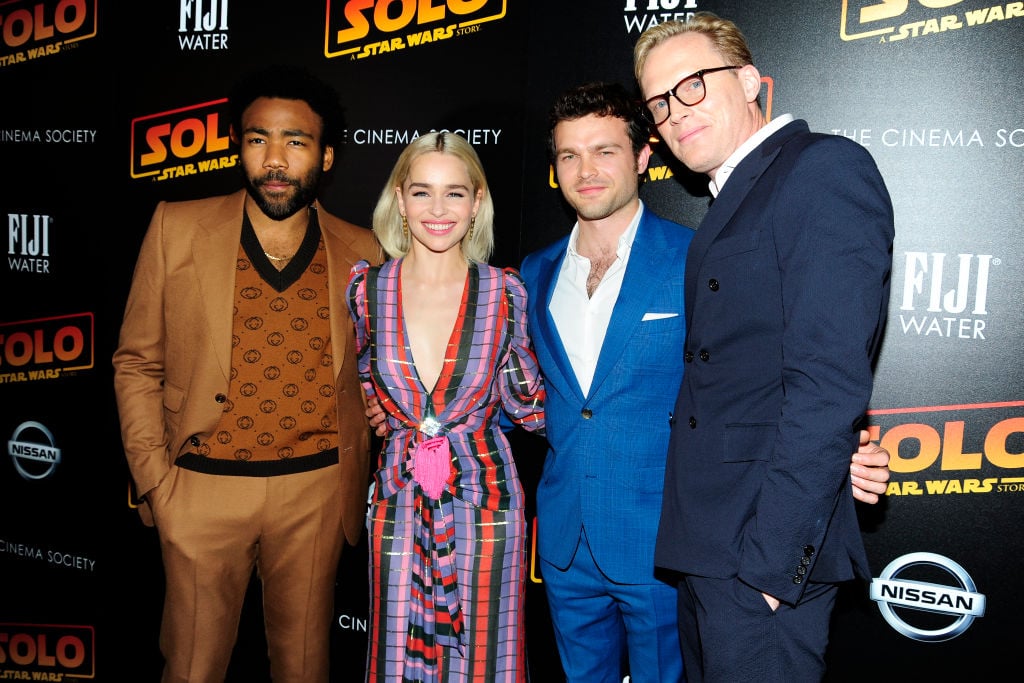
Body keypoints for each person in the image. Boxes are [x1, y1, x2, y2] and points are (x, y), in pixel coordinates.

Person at [517, 82, 892, 683]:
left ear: (644, 157)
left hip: (663, 536)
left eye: (605, 151)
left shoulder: (698, 257)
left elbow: (774, 372)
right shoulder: (532, 272)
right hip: (563, 540)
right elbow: (521, 388)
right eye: (568, 156)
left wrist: (847, 449)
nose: (585, 171)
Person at [634, 12, 895, 681]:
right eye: (660, 102)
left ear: (750, 80)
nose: (675, 112)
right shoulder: (728, 205)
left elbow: (828, 385)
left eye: (693, 85)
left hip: (759, 565)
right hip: (706, 552)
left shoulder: (821, 169)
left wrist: (773, 568)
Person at [113, 65, 380, 682]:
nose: (276, 160)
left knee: (305, 667)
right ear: (240, 147)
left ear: (328, 155)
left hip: (315, 493)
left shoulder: (364, 250)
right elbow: (136, 361)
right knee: (192, 668)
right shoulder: (175, 228)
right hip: (200, 489)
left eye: (296, 141)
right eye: (259, 139)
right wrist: (157, 481)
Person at [346, 131, 545, 682]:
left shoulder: (505, 293)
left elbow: (529, 404)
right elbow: (364, 378)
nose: (438, 210)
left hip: (487, 500)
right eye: (422, 192)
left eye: (455, 193)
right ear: (400, 199)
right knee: (395, 658)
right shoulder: (367, 291)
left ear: (477, 202)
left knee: (487, 662)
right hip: (396, 501)